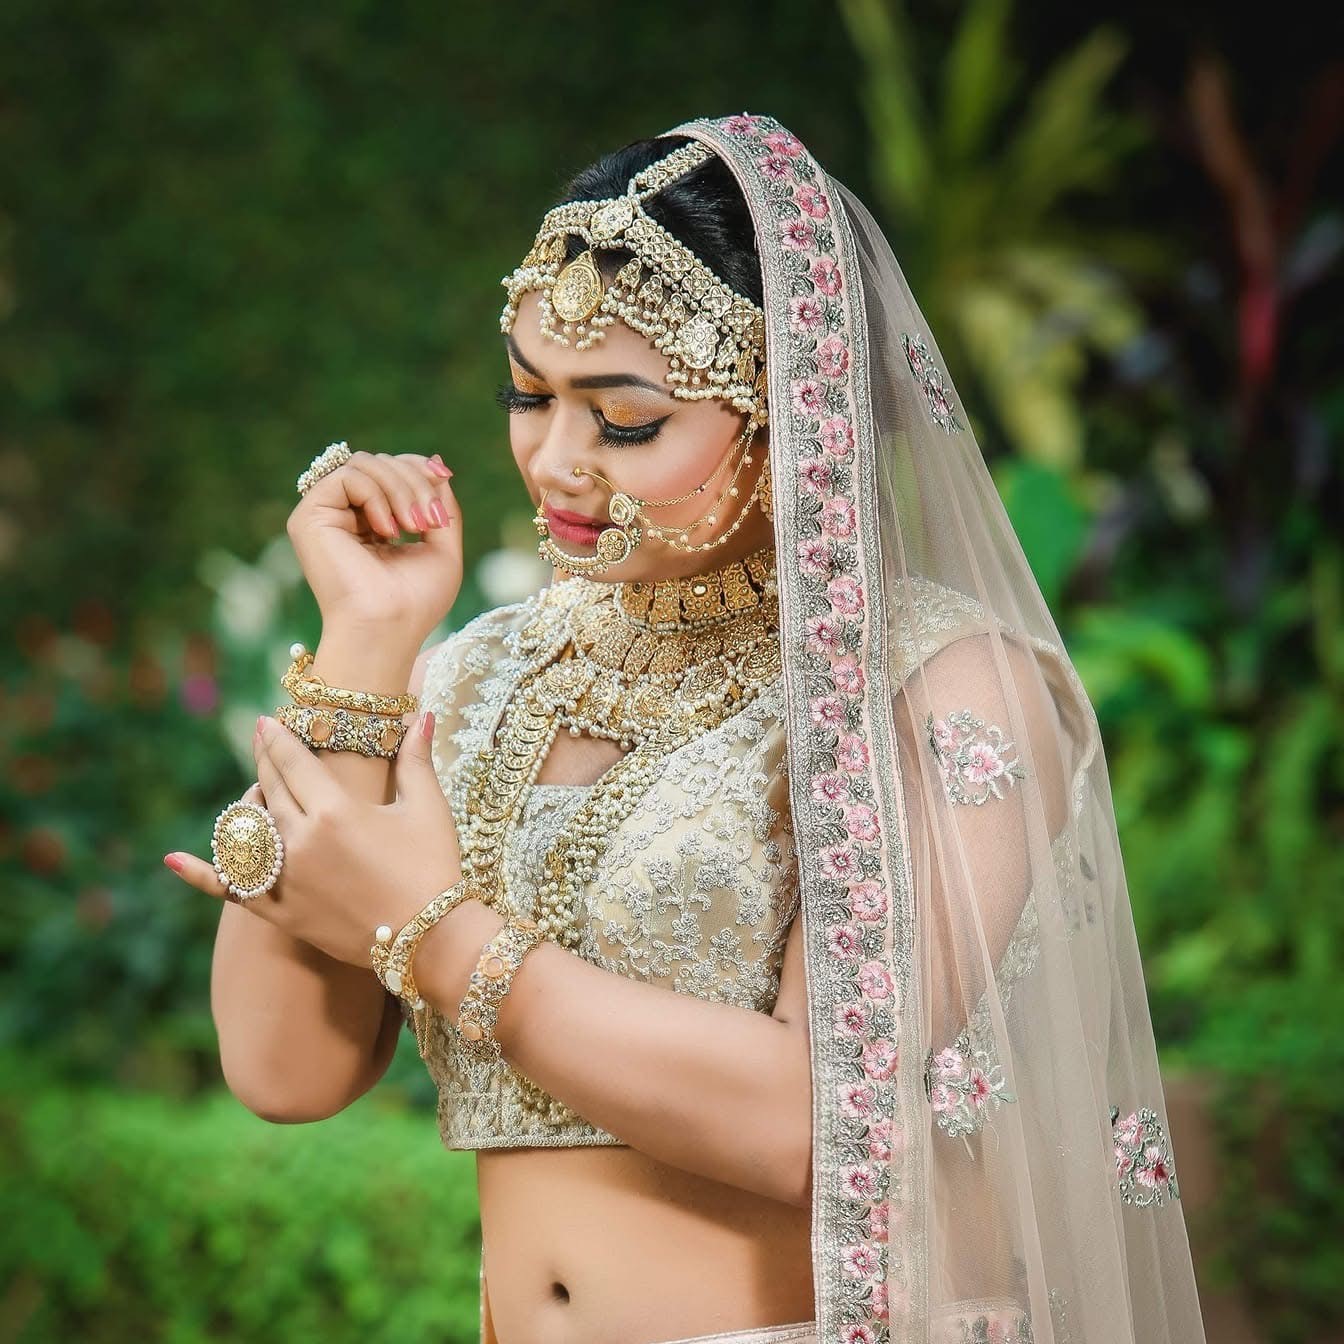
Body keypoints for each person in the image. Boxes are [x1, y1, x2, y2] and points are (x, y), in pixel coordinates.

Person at [168, 113, 1209, 1344]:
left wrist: (439, 936)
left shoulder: (931, 685)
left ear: (791, 413)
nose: (556, 461)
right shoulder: (480, 674)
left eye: (624, 420)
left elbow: (819, 1125)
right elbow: (285, 1074)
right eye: (527, 394)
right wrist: (366, 641)